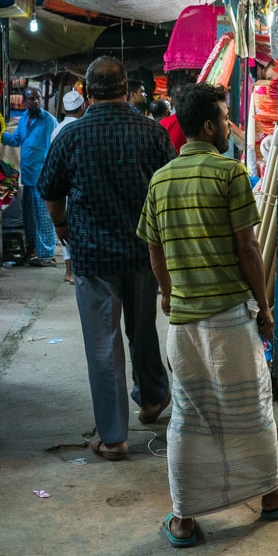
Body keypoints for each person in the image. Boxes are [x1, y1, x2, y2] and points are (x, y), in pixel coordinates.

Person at [137, 82, 278, 547]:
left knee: (188, 414)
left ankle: (183, 519)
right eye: (224, 118)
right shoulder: (230, 174)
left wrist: (167, 293)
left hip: (183, 324)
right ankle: (272, 494)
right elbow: (246, 247)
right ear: (208, 125)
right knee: (251, 408)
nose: (229, 126)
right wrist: (264, 308)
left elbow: (154, 249)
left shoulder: (161, 179)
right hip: (226, 319)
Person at [38, 57, 175, 462]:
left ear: (88, 93)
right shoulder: (152, 133)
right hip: (143, 250)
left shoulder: (71, 136)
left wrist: (62, 225)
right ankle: (152, 398)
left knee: (103, 343)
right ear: (127, 87)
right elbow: (168, 186)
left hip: (94, 254)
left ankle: (114, 437)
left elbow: (50, 191)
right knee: (143, 328)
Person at [4, 87, 57, 267]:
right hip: (27, 177)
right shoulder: (24, 118)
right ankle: (33, 249)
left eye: (38, 98)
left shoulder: (48, 120)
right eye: (31, 99)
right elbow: (16, 140)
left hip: (42, 177)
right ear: (25, 102)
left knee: (43, 217)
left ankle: (47, 254)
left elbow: (53, 149)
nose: (35, 101)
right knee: (30, 218)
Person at [52, 87, 86, 284]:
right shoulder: (81, 129)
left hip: (60, 185)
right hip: (76, 185)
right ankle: (74, 271)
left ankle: (69, 271)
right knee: (75, 226)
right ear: (82, 106)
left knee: (63, 227)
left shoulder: (57, 128)